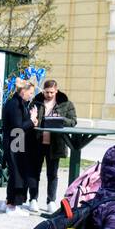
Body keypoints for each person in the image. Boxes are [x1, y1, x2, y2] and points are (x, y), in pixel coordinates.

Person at [29, 78, 77, 214]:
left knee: (53, 174)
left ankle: (51, 201)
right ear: (43, 90)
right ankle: (33, 199)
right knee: (34, 172)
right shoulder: (36, 102)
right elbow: (29, 118)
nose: (49, 95)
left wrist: (60, 119)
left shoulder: (66, 104)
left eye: (51, 92)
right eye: (46, 92)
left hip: (55, 144)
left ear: (56, 90)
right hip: (37, 142)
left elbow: (73, 121)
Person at [1, 78, 38, 212]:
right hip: (14, 142)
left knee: (16, 173)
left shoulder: (19, 103)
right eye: (31, 92)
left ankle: (8, 202)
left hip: (16, 142)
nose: (31, 95)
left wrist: (31, 119)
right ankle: (12, 206)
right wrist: (32, 120)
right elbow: (18, 127)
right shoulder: (15, 105)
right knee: (17, 174)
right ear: (23, 91)